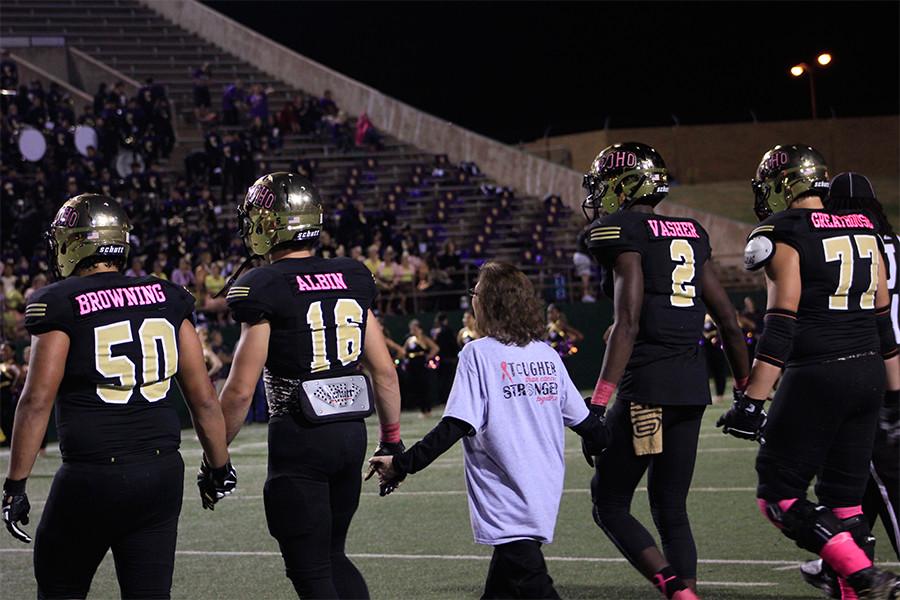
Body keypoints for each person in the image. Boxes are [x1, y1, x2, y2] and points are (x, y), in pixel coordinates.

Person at [1, 194, 235, 599]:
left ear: (74, 244)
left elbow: (37, 400)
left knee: (60, 588)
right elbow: (203, 398)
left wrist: (15, 485)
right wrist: (219, 466)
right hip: (161, 473)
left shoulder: (59, 301)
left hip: (93, 476)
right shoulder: (167, 297)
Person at [717, 146, 900, 598]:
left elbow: (781, 326)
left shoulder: (782, 232)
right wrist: (894, 398)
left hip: (818, 373)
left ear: (784, 185)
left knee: (778, 494)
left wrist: (751, 402)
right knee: (845, 502)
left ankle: (862, 574)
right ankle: (858, 587)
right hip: (870, 374)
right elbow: (883, 324)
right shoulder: (866, 227)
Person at [367, 262, 609, 600]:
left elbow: (456, 425)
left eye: (475, 294)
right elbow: (587, 424)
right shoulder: (546, 354)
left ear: (491, 303)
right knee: (503, 588)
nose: (472, 301)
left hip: (507, 493)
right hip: (543, 490)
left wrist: (403, 464)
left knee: (534, 586)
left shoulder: (477, 354)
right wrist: (607, 440)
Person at [217, 172, 403, 599]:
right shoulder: (351, 275)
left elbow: (241, 390)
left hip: (299, 439)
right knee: (334, 557)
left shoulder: (262, 285)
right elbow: (385, 372)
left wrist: (216, 458)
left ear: (267, 226)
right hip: (350, 435)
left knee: (311, 570)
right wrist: (391, 441)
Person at [582, 142, 750, 599]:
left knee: (609, 502)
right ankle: (686, 592)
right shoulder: (691, 231)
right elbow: (731, 324)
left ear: (624, 183)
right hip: (692, 388)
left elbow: (628, 321)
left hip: (647, 389)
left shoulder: (621, 230)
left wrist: (598, 406)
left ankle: (676, 589)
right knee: (671, 505)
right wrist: (747, 395)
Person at [794, 171, 900, 598]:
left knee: (879, 477)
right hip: (885, 370)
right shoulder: (891, 244)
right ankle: (841, 564)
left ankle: (841, 564)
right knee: (856, 483)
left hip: (863, 372)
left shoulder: (839, 245)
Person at [403, 319, 439, 417]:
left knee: (424, 386)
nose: (413, 330)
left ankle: (427, 409)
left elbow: (435, 348)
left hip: (421, 364)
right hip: (412, 365)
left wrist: (428, 356)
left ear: (420, 329)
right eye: (412, 328)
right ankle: (420, 408)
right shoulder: (409, 340)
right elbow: (404, 351)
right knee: (416, 387)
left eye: (415, 328)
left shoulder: (424, 339)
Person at [431, 312, 458, 407]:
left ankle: (443, 400)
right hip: (450, 360)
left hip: (442, 360)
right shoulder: (449, 331)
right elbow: (454, 345)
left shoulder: (437, 332)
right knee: (450, 381)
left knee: (443, 381)